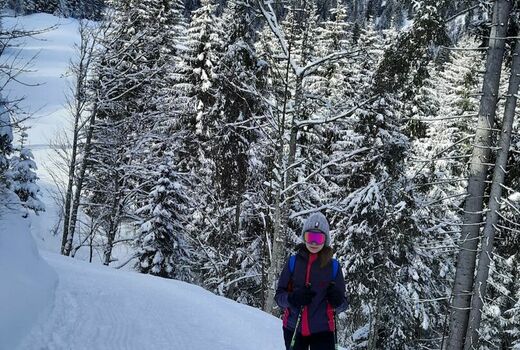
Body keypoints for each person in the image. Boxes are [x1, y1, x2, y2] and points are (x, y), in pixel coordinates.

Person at [275, 212, 348, 350]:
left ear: (325, 240)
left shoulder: (333, 266)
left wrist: (337, 300)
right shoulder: (293, 262)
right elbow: (279, 297)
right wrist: (293, 298)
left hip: (323, 331)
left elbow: (343, 304)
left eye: (318, 238)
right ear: (304, 237)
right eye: (310, 237)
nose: (314, 243)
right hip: (294, 328)